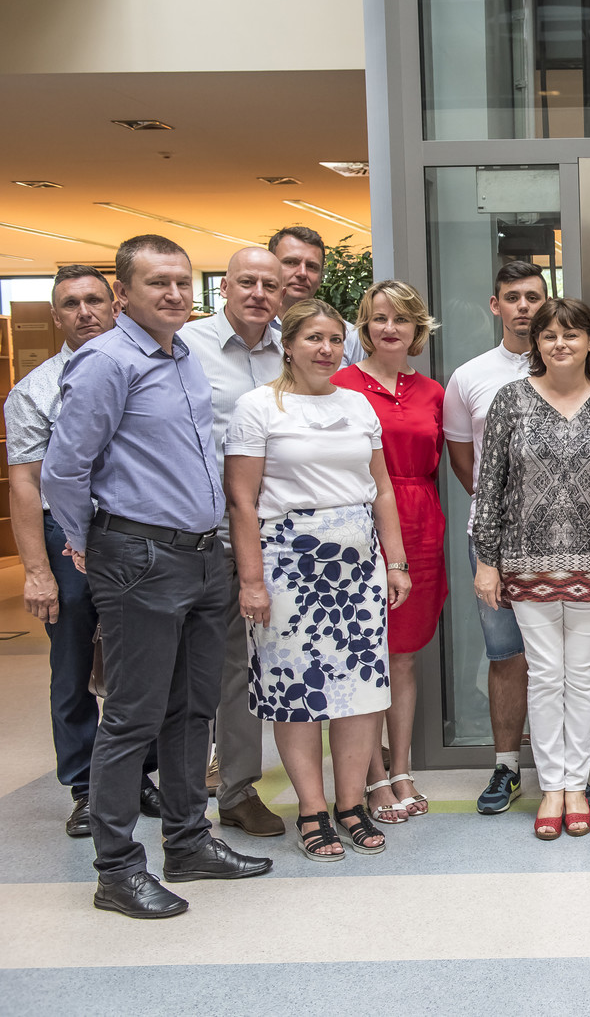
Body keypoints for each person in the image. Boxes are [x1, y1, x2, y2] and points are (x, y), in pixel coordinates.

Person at [43, 234, 272, 918]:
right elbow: (63, 469)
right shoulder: (106, 362)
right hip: (139, 557)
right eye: (157, 283)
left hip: (202, 555)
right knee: (133, 718)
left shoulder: (182, 356)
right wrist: (88, 545)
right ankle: (117, 870)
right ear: (123, 294)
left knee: (193, 709)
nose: (174, 294)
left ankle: (188, 842)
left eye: (181, 282)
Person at [225, 299, 410, 862]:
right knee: (296, 692)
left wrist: (396, 562)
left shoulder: (357, 404)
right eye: (313, 338)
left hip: (358, 566)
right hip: (287, 566)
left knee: (360, 690)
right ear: (287, 345)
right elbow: (241, 500)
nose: (326, 349)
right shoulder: (259, 406)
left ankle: (350, 805)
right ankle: (311, 809)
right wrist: (251, 581)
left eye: (334, 339)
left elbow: (381, 488)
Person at [473, 297, 590, 839]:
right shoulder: (510, 400)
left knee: (583, 674)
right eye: (549, 335)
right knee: (544, 674)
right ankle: (552, 787)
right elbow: (489, 486)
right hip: (525, 561)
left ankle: (576, 783)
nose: (560, 343)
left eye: (572, 334)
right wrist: (487, 561)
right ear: (536, 344)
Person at [6, 265, 162, 838]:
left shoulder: (145, 370)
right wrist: (37, 572)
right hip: (65, 534)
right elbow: (25, 485)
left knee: (139, 662)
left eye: (94, 300)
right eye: (70, 304)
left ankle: (138, 775)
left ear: (114, 305)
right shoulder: (34, 391)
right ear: (56, 317)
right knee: (72, 663)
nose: (84, 312)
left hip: (136, 532)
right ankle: (85, 787)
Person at [185, 246, 292, 839]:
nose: (258, 293)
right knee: (201, 670)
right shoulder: (187, 346)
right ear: (223, 287)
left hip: (280, 536)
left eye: (269, 284)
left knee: (248, 667)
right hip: (206, 534)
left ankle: (241, 789)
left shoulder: (292, 350)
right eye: (246, 282)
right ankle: (195, 793)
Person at [332, 280, 446, 824]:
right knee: (363, 653)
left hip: (421, 524)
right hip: (358, 525)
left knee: (402, 654)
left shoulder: (433, 392)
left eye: (401, 318)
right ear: (365, 326)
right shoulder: (340, 385)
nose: (390, 328)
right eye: (379, 318)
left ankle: (401, 767)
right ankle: (371, 774)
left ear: (417, 328)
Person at [442, 261, 543, 814]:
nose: (523, 306)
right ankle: (506, 767)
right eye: (513, 297)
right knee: (506, 655)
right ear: (495, 304)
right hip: (496, 542)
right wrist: (498, 513)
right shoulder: (470, 376)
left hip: (561, 541)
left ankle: (561, 770)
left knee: (559, 659)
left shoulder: (570, 368)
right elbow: (466, 464)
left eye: (533, 296)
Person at [268, 225, 365, 366]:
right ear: (269, 268)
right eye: (291, 262)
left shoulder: (349, 336)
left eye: (311, 266)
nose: (302, 273)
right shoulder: (253, 331)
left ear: (320, 278)